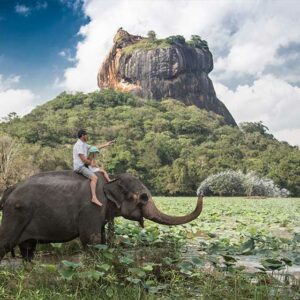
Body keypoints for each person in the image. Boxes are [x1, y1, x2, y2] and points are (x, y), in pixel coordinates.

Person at [73, 129, 114, 207]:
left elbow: (94, 147)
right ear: (82, 136)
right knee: (94, 178)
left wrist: (106, 144)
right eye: (86, 135)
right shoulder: (78, 145)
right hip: (80, 166)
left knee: (101, 171)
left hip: (85, 165)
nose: (87, 136)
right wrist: (92, 164)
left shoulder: (84, 144)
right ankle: (94, 197)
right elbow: (84, 160)